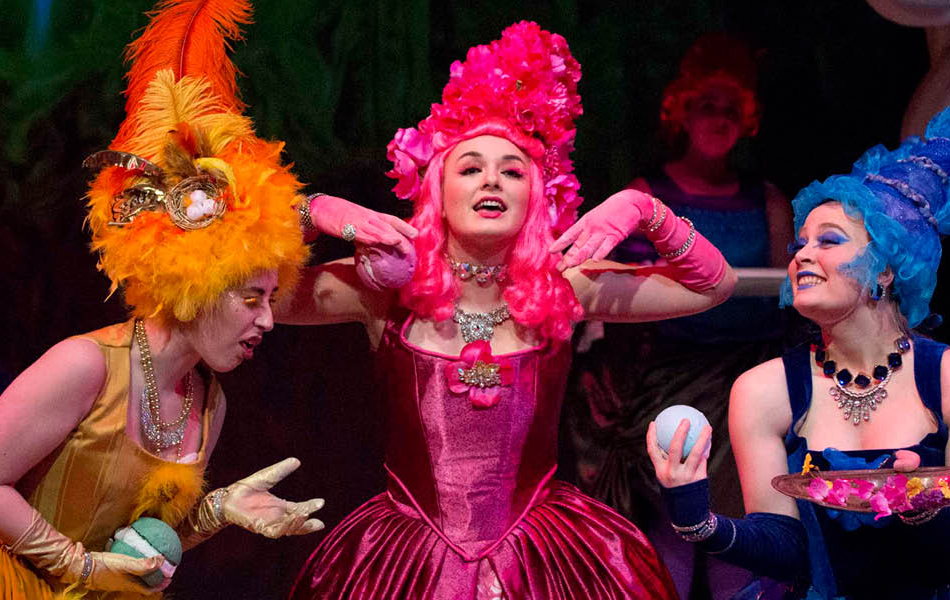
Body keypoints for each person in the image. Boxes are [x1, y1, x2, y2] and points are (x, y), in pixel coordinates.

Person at [0, 1, 323, 598]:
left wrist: (218, 513)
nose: (267, 318)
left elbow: (140, 540)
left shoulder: (210, 402)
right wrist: (79, 565)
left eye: (271, 297)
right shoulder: (84, 365)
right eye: (251, 297)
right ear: (194, 283)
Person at [282, 22, 736, 599]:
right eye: (469, 167)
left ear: (537, 197)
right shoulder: (384, 291)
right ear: (436, 192)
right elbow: (246, 299)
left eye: (513, 170)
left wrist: (644, 209)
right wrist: (310, 210)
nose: (491, 179)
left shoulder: (569, 287)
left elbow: (713, 287)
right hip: (405, 569)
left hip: (545, 565)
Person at [649, 106, 950, 599]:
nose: (801, 255)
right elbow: (786, 548)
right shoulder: (763, 390)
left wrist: (922, 509)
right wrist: (698, 521)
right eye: (801, 243)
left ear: (886, 270)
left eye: (829, 241)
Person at [564, 33, 791, 598]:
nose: (718, 118)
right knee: (675, 518)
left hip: (748, 380)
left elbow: (791, 299)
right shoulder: (645, 195)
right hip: (665, 378)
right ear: (681, 113)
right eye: (706, 105)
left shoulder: (768, 200)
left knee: (741, 522)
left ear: (749, 119)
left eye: (730, 108)